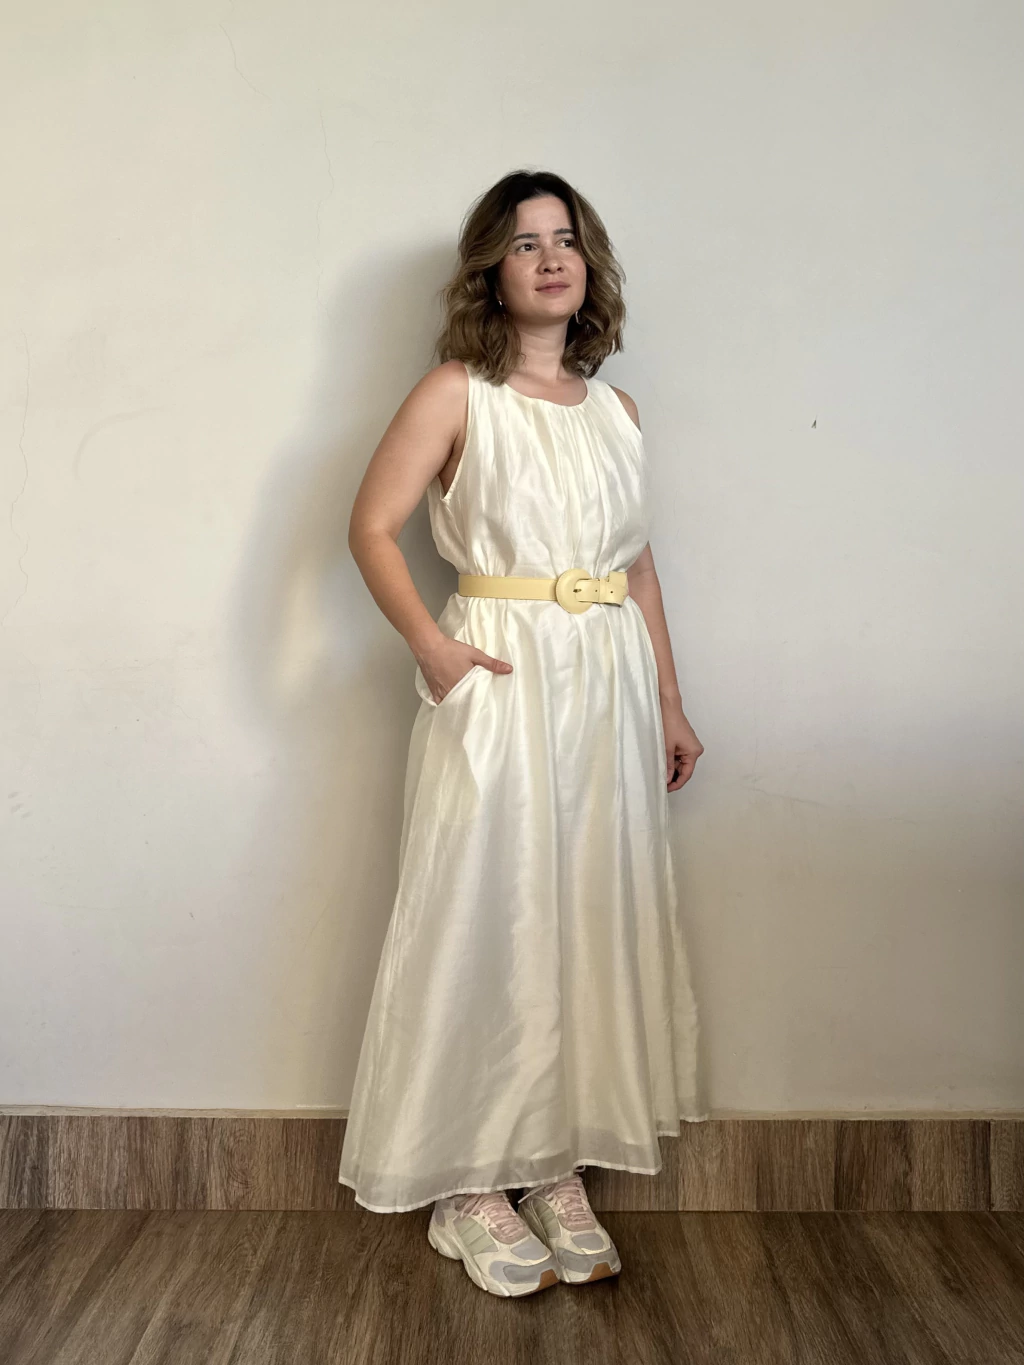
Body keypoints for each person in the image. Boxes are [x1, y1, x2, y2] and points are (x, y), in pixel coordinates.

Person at [339, 169, 708, 1297]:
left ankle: (552, 1164)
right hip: (501, 673)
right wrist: (432, 648)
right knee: (483, 906)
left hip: (605, 685)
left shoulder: (616, 413)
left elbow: (638, 568)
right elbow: (371, 526)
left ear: (588, 265)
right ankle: (465, 1184)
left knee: (585, 907)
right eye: (523, 242)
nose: (550, 258)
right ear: (489, 272)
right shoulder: (457, 392)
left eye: (565, 240)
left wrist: (668, 699)